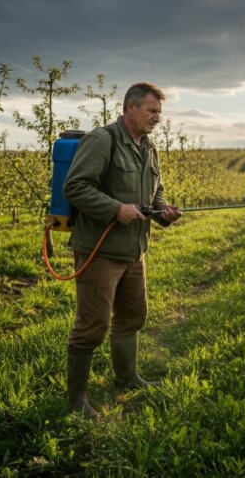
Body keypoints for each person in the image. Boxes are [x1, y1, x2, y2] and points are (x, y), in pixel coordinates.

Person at [63, 82, 182, 419]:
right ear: (131, 108)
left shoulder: (149, 148)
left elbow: (154, 194)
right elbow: (75, 187)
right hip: (100, 251)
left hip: (134, 252)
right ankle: (75, 402)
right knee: (93, 325)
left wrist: (163, 212)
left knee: (132, 317)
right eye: (152, 111)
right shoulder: (103, 140)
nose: (158, 118)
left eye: (160, 112)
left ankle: (128, 378)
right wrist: (115, 208)